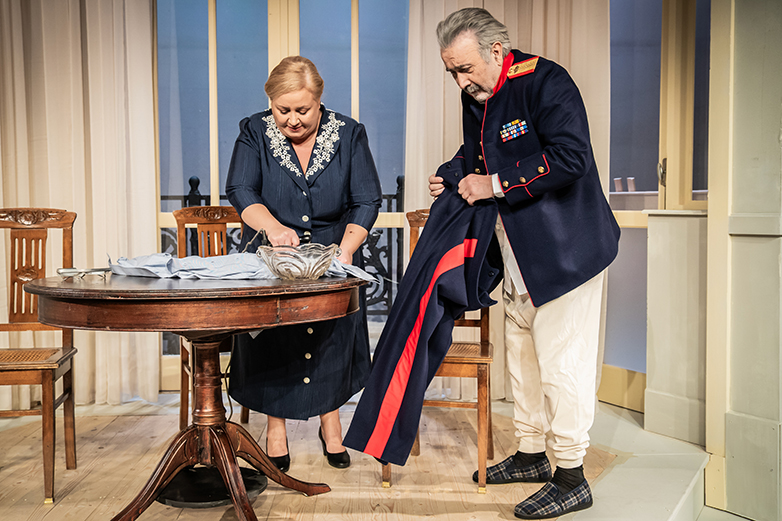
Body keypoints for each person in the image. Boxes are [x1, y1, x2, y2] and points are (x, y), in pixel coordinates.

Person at [430, 8, 620, 519]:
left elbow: (571, 157)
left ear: (496, 51)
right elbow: (479, 154)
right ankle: (533, 454)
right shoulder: (477, 94)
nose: (460, 81)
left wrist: (491, 184)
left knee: (562, 363)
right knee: (523, 359)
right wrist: (452, 173)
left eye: (465, 69)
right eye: (451, 72)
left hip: (567, 252)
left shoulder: (546, 81)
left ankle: (572, 475)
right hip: (516, 252)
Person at [225, 56, 382, 471]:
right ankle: (275, 429)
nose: (292, 119)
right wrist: (274, 228)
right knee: (273, 339)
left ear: (319, 101)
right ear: (270, 103)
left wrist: (347, 249)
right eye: (283, 110)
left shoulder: (349, 133)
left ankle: (331, 424)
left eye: (302, 110)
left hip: (333, 252)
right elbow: (240, 188)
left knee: (330, 338)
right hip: (273, 255)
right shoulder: (254, 131)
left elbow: (367, 198)